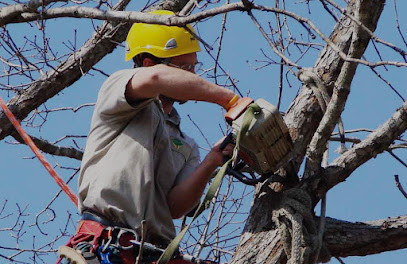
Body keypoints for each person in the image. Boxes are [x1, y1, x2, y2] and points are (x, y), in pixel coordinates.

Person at [58, 9, 237, 264]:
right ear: (149, 63)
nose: (193, 76)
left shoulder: (186, 144)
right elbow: (154, 80)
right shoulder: (118, 92)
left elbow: (175, 206)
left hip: (155, 254)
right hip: (109, 244)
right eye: (185, 68)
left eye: (194, 67)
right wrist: (229, 100)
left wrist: (213, 160)